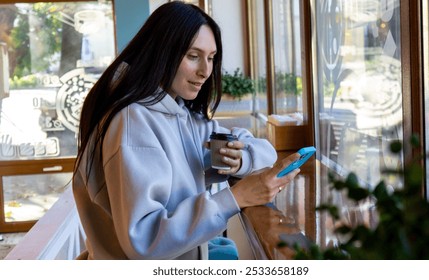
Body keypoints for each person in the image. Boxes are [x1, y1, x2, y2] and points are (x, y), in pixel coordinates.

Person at [72, 1, 301, 260]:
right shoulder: (131, 121)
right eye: (193, 56)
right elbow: (144, 242)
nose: (205, 71)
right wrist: (235, 197)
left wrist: (240, 159)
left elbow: (265, 152)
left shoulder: (179, 115)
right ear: (161, 52)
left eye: (211, 58)